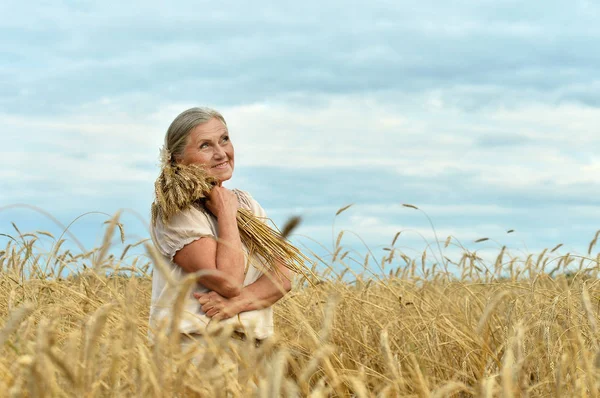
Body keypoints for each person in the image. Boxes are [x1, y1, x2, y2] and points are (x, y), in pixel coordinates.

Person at [148, 107, 292, 387]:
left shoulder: (246, 203)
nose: (221, 153)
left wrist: (238, 303)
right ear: (177, 158)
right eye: (205, 145)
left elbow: (284, 277)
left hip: (252, 351)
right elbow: (227, 282)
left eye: (224, 139)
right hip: (196, 354)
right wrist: (226, 214)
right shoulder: (175, 211)